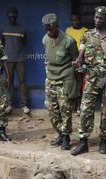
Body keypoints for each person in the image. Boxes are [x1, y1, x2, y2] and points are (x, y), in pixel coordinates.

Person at [71, 6, 106, 155]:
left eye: (100, 18)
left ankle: (104, 142)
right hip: (91, 77)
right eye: (96, 17)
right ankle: (83, 142)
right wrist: (79, 60)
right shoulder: (87, 35)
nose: (97, 20)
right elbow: (81, 53)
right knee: (86, 109)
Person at [42, 13, 79, 151]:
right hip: (50, 80)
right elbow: (47, 59)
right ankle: (60, 133)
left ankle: (66, 137)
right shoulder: (45, 39)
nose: (49, 32)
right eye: (47, 30)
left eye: (51, 30)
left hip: (65, 80)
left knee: (66, 111)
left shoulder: (69, 41)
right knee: (52, 111)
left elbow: (75, 63)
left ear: (57, 26)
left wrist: (75, 87)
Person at [1, 7, 29, 114]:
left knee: (22, 82)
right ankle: (10, 104)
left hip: (20, 59)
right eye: (10, 17)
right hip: (8, 60)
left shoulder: (22, 29)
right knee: (9, 82)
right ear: (8, 17)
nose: (12, 18)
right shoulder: (4, 29)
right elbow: (3, 44)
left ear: (17, 17)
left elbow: (24, 42)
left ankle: (24, 105)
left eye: (14, 16)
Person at [65, 14, 87, 115]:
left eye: (77, 20)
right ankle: (73, 105)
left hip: (82, 59)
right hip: (70, 59)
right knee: (71, 82)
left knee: (81, 83)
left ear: (80, 20)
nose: (75, 22)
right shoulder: (68, 30)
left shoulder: (86, 31)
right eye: (73, 20)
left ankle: (79, 105)